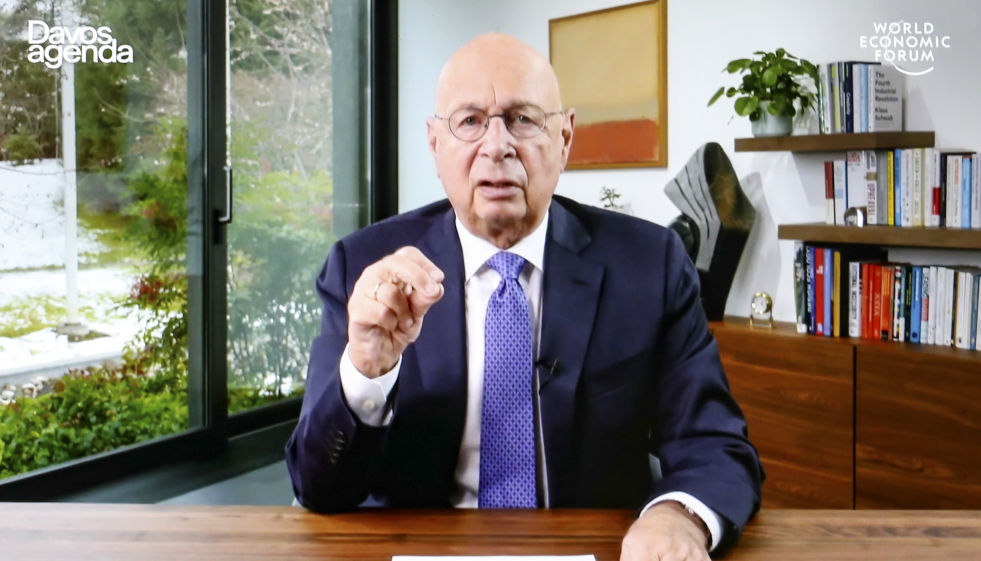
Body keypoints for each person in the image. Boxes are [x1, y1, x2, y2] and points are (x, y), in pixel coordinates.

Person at [286, 32, 763, 561]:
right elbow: (318, 487)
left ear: (565, 138)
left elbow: (715, 443)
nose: (497, 146)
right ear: (435, 143)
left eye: (522, 119)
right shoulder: (364, 268)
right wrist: (366, 371)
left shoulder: (650, 265)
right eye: (470, 121)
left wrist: (678, 516)